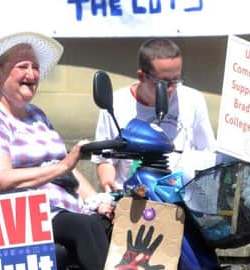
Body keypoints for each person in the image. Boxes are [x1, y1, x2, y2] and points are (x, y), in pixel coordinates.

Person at [0, 32, 169, 270]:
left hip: (54, 211)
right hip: (8, 216)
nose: (31, 75)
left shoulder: (36, 116)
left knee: (124, 218)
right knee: (83, 227)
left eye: (35, 68)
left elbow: (68, 172)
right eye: (22, 67)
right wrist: (60, 168)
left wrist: (98, 200)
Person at [92, 38, 217, 191]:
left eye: (176, 80)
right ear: (142, 76)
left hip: (180, 195)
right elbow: (105, 160)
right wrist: (108, 183)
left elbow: (207, 152)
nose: (171, 89)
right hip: (133, 195)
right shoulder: (116, 103)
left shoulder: (193, 100)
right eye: (163, 83)